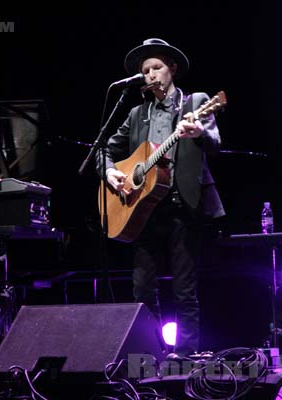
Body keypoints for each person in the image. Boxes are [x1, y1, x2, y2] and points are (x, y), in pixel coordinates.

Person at [96, 38, 225, 357]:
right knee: (141, 290)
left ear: (173, 70)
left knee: (184, 290)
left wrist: (200, 133)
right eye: (146, 71)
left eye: (157, 67)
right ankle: (149, 355)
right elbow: (103, 150)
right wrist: (110, 171)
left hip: (183, 208)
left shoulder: (196, 102)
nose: (151, 74)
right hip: (144, 212)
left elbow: (215, 142)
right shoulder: (137, 114)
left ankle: (186, 358)